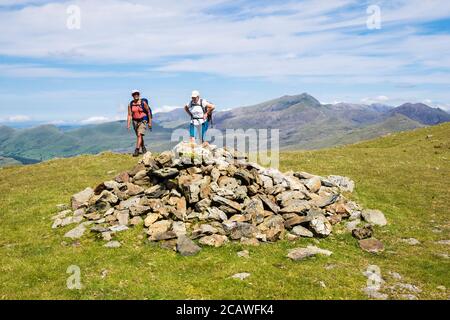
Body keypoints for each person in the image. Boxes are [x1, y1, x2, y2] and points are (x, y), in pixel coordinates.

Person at [127, 89, 152, 157]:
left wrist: (150, 122)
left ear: (139, 94)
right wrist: (128, 124)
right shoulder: (130, 104)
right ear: (132, 95)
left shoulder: (143, 103)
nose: (136, 95)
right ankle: (143, 147)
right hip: (135, 121)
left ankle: (137, 150)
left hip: (143, 120)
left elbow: (148, 112)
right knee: (139, 136)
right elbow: (129, 115)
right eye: (134, 94)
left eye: (137, 94)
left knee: (139, 134)